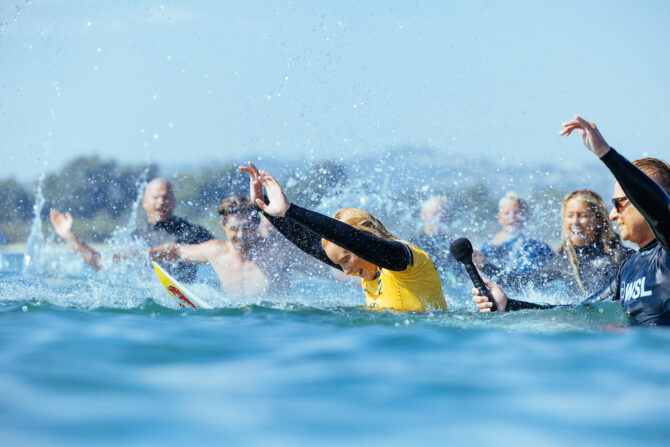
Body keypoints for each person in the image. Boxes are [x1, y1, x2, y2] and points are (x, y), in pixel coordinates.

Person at [473, 116, 670, 326]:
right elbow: (581, 311)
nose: (613, 214)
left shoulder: (665, 256)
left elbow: (659, 210)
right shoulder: (629, 268)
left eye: (621, 203)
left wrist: (605, 153)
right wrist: (509, 305)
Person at [239, 162, 447, 312]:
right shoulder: (366, 269)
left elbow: (350, 239)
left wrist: (290, 210)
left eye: (346, 260)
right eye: (341, 263)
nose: (346, 271)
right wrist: (264, 207)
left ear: (364, 236)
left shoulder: (402, 259)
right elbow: (311, 243)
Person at [49, 178, 213, 282]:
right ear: (144, 202)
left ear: (174, 201)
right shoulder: (136, 237)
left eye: (166, 197)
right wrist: (69, 236)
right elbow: (100, 263)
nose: (161, 202)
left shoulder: (192, 232)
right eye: (155, 197)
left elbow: (228, 252)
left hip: (187, 295)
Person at [477, 189, 633, 297]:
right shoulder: (563, 261)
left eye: (582, 215)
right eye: (570, 216)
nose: (575, 222)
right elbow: (523, 284)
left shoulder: (622, 259)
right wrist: (485, 266)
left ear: (599, 220)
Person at [150, 196, 292, 296]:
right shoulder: (216, 251)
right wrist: (147, 255)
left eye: (247, 228)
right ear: (223, 226)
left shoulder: (277, 251)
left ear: (256, 224)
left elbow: (313, 261)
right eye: (234, 229)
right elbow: (178, 250)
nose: (241, 235)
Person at [479, 192, 553, 275]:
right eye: (507, 213)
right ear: (499, 218)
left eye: (517, 212)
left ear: (527, 216)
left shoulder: (536, 247)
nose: (512, 216)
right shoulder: (489, 248)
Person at [410, 196, 462, 285]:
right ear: (423, 215)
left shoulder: (453, 245)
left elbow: (461, 277)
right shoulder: (413, 244)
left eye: (443, 213)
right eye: (435, 213)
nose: (439, 217)